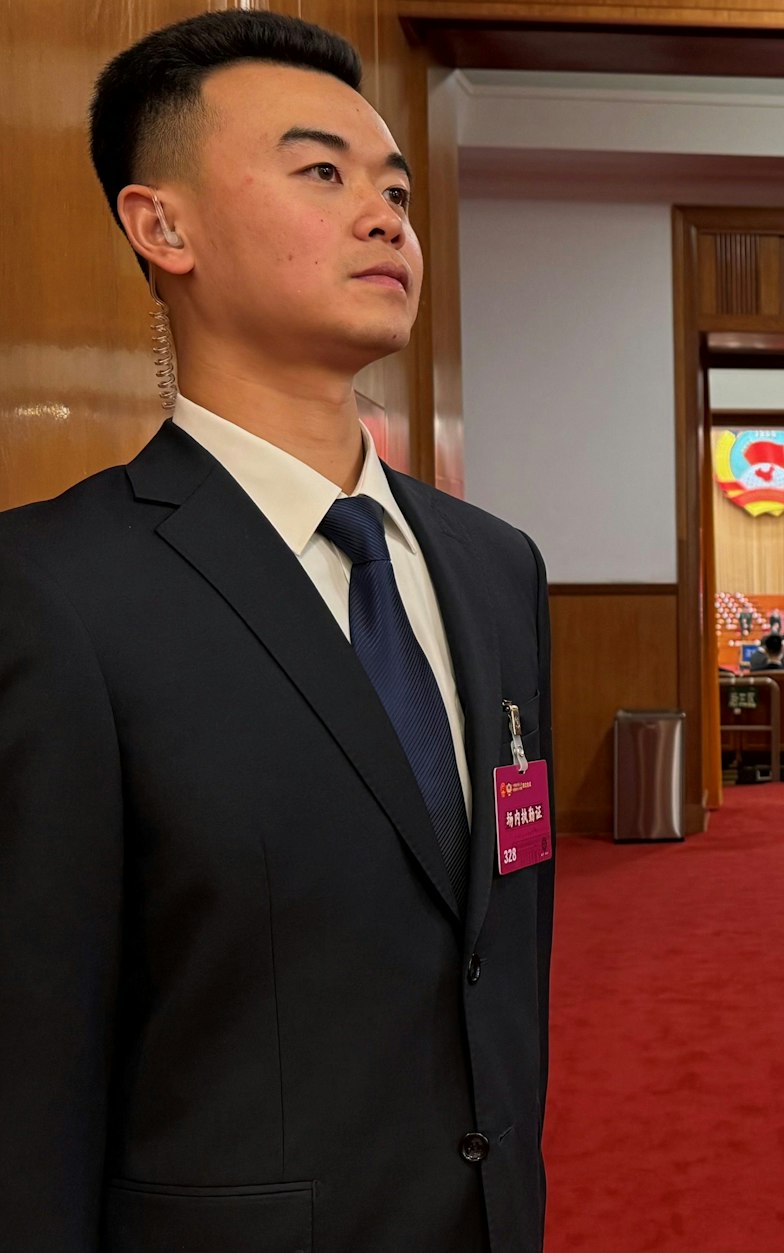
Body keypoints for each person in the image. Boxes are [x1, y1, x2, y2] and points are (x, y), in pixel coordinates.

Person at [0, 13, 555, 1251]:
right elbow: (33, 1060)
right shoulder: (52, 590)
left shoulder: (492, 566)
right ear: (164, 226)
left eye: (396, 189)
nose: (385, 218)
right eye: (322, 173)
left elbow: (498, 947)